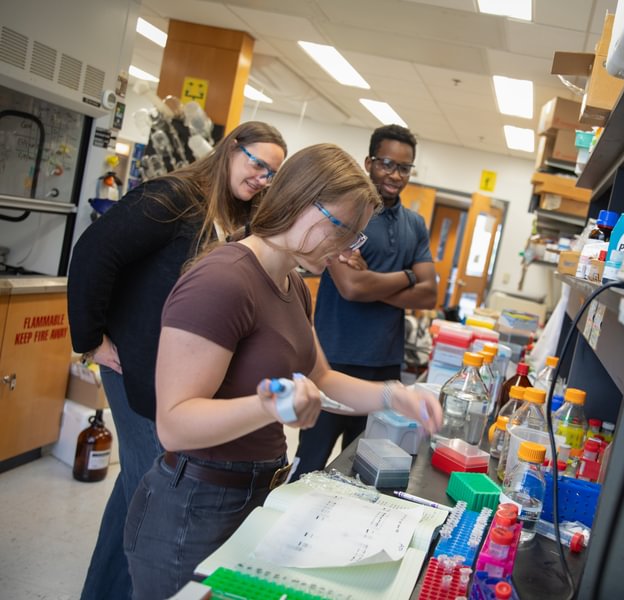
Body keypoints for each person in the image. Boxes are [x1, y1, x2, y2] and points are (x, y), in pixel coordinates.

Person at [121, 143, 443, 599]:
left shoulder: (292, 282)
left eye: (355, 236)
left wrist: (396, 396)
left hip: (254, 495)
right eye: (342, 229)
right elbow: (174, 425)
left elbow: (324, 378)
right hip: (194, 508)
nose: (346, 250)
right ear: (301, 203)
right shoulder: (223, 281)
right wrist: (267, 406)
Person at [67, 121, 287, 600]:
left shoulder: (232, 215)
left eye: (273, 174)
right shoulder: (174, 197)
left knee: (136, 488)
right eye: (257, 164)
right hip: (135, 373)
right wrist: (89, 341)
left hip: (165, 375)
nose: (262, 179)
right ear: (232, 149)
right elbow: (92, 253)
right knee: (156, 494)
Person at [290, 124, 437, 479]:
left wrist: (373, 280)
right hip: (334, 362)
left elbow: (431, 294)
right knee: (310, 465)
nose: (395, 175)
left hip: (384, 364)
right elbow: (351, 288)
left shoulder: (414, 224)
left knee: (362, 470)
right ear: (369, 162)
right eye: (387, 164)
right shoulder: (347, 215)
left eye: (404, 168)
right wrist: (408, 276)